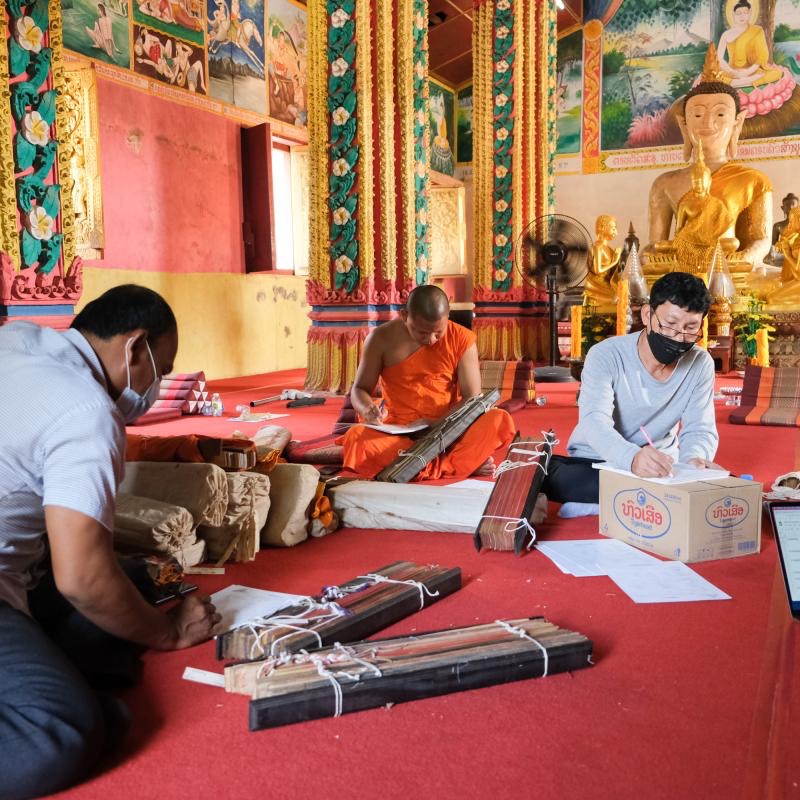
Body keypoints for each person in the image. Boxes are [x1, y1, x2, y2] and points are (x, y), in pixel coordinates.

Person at [0, 285, 220, 800]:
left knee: (134, 586)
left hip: (20, 570)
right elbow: (81, 579)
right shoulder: (86, 411)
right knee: (60, 732)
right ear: (135, 348)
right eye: (161, 369)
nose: (157, 385)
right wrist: (168, 634)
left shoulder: (19, 342)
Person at [542, 272, 720, 510]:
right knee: (549, 474)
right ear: (647, 314)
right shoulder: (606, 354)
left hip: (661, 467)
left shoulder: (700, 363)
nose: (679, 337)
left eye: (690, 328)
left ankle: (635, 494)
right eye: (669, 324)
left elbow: (700, 428)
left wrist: (694, 462)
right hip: (597, 459)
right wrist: (632, 458)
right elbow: (594, 421)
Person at [339, 285, 516, 480]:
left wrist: (435, 424)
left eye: (438, 333)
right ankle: (456, 465)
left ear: (448, 317)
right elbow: (359, 389)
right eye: (422, 333)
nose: (431, 340)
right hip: (400, 433)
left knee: (499, 419)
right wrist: (367, 409)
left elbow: (471, 401)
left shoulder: (462, 339)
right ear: (405, 315)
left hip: (449, 432)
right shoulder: (380, 339)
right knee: (356, 438)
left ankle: (415, 468)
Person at [647, 44, 772, 268]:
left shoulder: (754, 180)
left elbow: (761, 241)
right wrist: (650, 255)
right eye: (697, 114)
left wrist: (745, 257)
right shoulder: (665, 183)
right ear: (684, 125)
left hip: (732, 265)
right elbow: (658, 243)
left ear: (737, 123)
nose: (707, 123)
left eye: (720, 113)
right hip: (681, 263)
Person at [583, 214, 622, 309]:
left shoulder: (609, 248)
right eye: (613, 228)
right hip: (596, 284)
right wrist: (615, 261)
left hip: (606, 283)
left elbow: (612, 273)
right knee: (617, 300)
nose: (615, 232)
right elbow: (598, 271)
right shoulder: (597, 247)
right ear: (602, 227)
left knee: (622, 296)